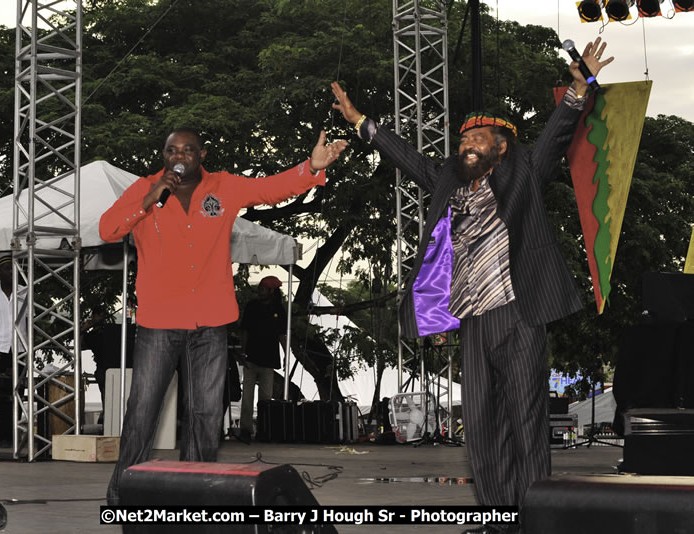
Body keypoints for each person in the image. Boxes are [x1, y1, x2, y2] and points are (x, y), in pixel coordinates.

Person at [331, 38, 613, 533]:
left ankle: (535, 520)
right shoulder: (448, 182)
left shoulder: (523, 170)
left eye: (476, 137)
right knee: (481, 427)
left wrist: (578, 86)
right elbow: (402, 154)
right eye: (462, 139)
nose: (465, 144)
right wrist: (359, 121)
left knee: (526, 423)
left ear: (501, 146)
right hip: (474, 320)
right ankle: (499, 517)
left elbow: (556, 135)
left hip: (520, 314)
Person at [99, 127, 347, 504]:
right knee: (142, 412)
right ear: (163, 155)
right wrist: (148, 199)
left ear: (202, 154)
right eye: (170, 150)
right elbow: (108, 228)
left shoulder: (223, 187)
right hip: (159, 322)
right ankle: (122, 495)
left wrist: (310, 168)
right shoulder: (146, 189)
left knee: (206, 415)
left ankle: (193, 496)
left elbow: (271, 188)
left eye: (187, 150)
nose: (178, 156)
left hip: (210, 322)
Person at [238, 275, 287, 442]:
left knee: (266, 398)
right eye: (259, 288)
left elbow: (282, 334)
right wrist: (243, 353)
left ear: (271, 291)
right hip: (251, 357)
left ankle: (264, 429)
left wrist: (287, 355)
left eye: (263, 289)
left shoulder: (278, 309)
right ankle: (245, 429)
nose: (259, 291)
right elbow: (245, 330)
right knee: (247, 396)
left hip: (269, 359)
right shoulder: (252, 307)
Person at [80, 305, 134, 422]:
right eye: (98, 315)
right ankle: (107, 414)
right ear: (93, 316)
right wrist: (83, 330)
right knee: (105, 392)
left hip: (115, 368)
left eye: (102, 316)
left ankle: (111, 415)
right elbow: (81, 346)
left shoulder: (109, 332)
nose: (100, 318)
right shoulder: (94, 334)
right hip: (103, 370)